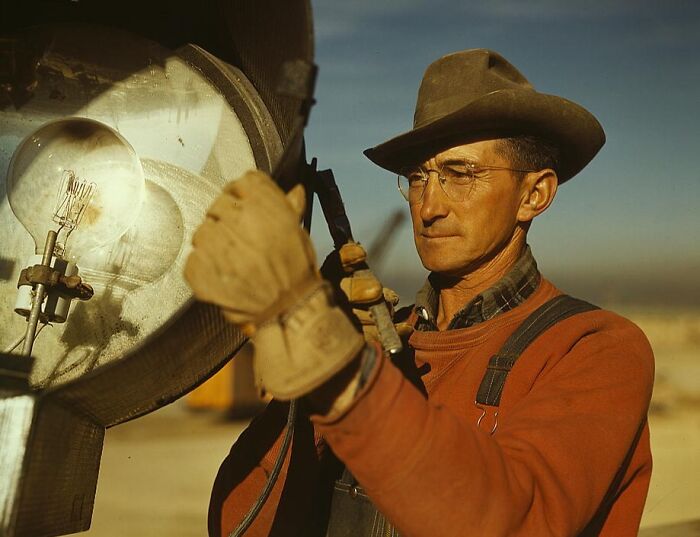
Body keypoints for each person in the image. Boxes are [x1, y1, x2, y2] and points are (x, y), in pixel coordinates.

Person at [185, 49, 654, 537]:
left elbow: (514, 520)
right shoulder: (379, 342)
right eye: (417, 178)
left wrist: (338, 370)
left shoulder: (596, 348)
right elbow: (239, 522)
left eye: (461, 175)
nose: (428, 206)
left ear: (534, 195)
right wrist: (310, 397)